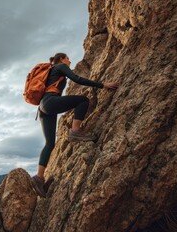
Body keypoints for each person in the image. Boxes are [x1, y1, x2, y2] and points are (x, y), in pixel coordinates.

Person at [31, 53, 119, 197]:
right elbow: (77, 79)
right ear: (61, 59)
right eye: (67, 58)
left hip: (43, 107)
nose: (70, 61)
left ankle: (39, 178)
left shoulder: (50, 71)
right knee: (83, 100)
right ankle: (76, 130)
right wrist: (102, 85)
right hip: (50, 102)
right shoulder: (60, 66)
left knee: (49, 143)